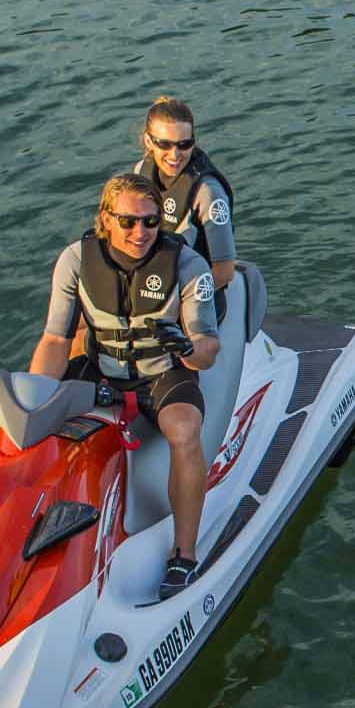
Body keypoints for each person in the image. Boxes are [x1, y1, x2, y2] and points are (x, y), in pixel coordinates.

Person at [29, 174, 222, 600]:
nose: (141, 232)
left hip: (162, 373)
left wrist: (187, 348)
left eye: (151, 221)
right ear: (106, 219)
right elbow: (56, 341)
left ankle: (184, 554)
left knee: (185, 430)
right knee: (14, 413)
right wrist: (35, 399)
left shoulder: (188, 265)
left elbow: (208, 350)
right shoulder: (75, 261)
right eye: (129, 221)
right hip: (99, 370)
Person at [134, 95, 236, 303]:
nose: (175, 155)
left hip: (196, 297)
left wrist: (174, 302)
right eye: (164, 144)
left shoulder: (208, 193)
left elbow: (225, 272)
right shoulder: (141, 171)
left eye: (184, 144)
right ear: (148, 141)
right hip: (151, 284)